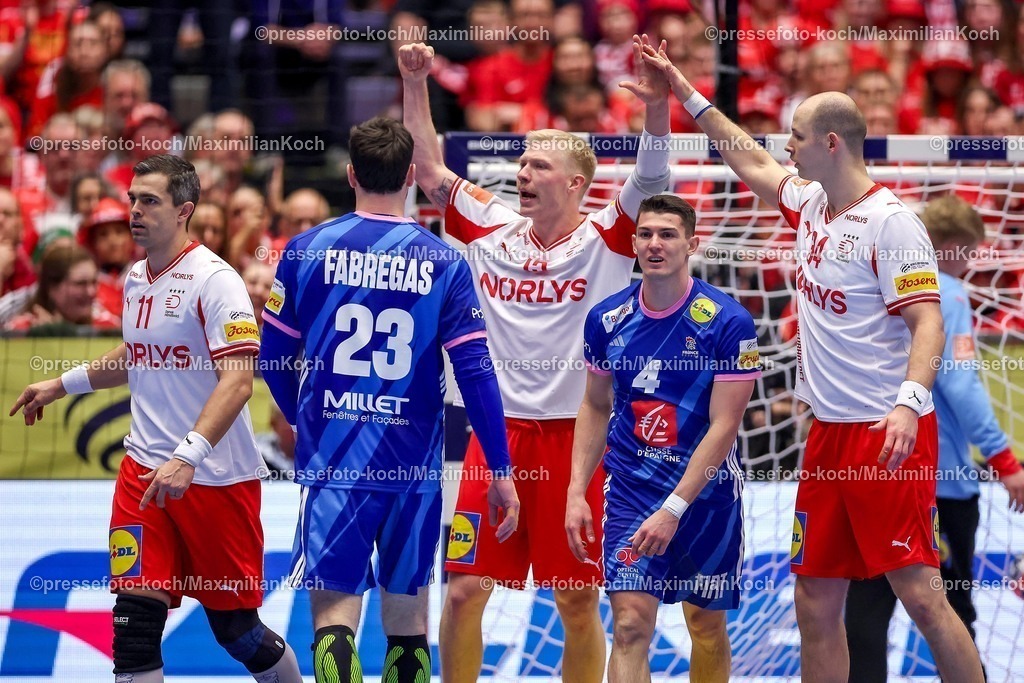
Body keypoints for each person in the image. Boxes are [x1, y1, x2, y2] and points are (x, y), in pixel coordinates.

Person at [639, 43, 986, 682]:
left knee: (922, 597)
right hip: (826, 435)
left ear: (830, 143)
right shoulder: (811, 205)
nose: (786, 146)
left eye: (795, 136)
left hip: (887, 435)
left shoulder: (891, 224)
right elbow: (750, 159)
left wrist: (910, 403)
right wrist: (686, 91)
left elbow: (928, 320)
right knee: (814, 600)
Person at [399, 35, 672, 683]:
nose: (522, 174)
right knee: (466, 590)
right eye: (520, 165)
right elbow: (430, 171)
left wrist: (658, 107)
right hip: (495, 439)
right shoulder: (490, 225)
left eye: (538, 167)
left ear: (577, 183)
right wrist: (415, 81)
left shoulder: (607, 235)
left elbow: (653, 176)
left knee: (575, 600)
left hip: (578, 442)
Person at [9, 155, 302, 683]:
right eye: (133, 199)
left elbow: (237, 380)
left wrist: (188, 456)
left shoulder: (217, 281)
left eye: (150, 201)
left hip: (214, 479)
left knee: (238, 633)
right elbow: (135, 353)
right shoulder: (135, 278)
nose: (135, 211)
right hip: (143, 471)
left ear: (184, 210)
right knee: (133, 625)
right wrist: (60, 384)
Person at [258, 116, 520, 683]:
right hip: (412, 465)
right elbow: (476, 373)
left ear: (350, 173)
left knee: (333, 618)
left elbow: (272, 359)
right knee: (407, 620)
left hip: (334, 460)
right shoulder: (445, 261)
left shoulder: (306, 249)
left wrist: (304, 423)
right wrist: (500, 466)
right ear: (408, 177)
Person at [566, 195, 759, 682]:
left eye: (668, 234)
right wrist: (575, 492)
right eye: (646, 234)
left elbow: (725, 426)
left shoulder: (729, 322)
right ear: (632, 244)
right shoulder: (606, 320)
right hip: (631, 490)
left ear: (692, 243)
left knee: (706, 625)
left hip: (706, 497)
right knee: (629, 626)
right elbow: (594, 405)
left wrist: (674, 509)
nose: (655, 244)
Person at [844, 196, 1024, 681]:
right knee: (951, 611)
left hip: (870, 466)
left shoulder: (873, 286)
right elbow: (960, 383)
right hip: (936, 478)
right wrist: (1005, 460)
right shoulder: (947, 292)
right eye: (968, 252)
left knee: (864, 609)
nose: (970, 263)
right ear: (949, 247)